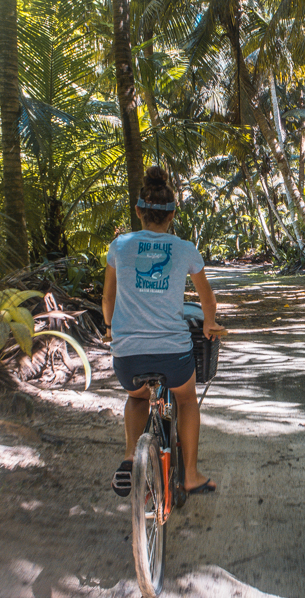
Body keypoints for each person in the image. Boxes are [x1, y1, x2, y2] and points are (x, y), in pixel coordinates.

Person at [103, 166, 224, 497]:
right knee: (186, 399)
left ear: (139, 211)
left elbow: (108, 298)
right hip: (173, 352)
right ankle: (191, 475)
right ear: (172, 215)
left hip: (127, 352)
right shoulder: (184, 249)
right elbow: (206, 298)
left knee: (136, 396)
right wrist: (210, 323)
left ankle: (130, 456)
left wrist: (112, 328)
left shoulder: (120, 245)